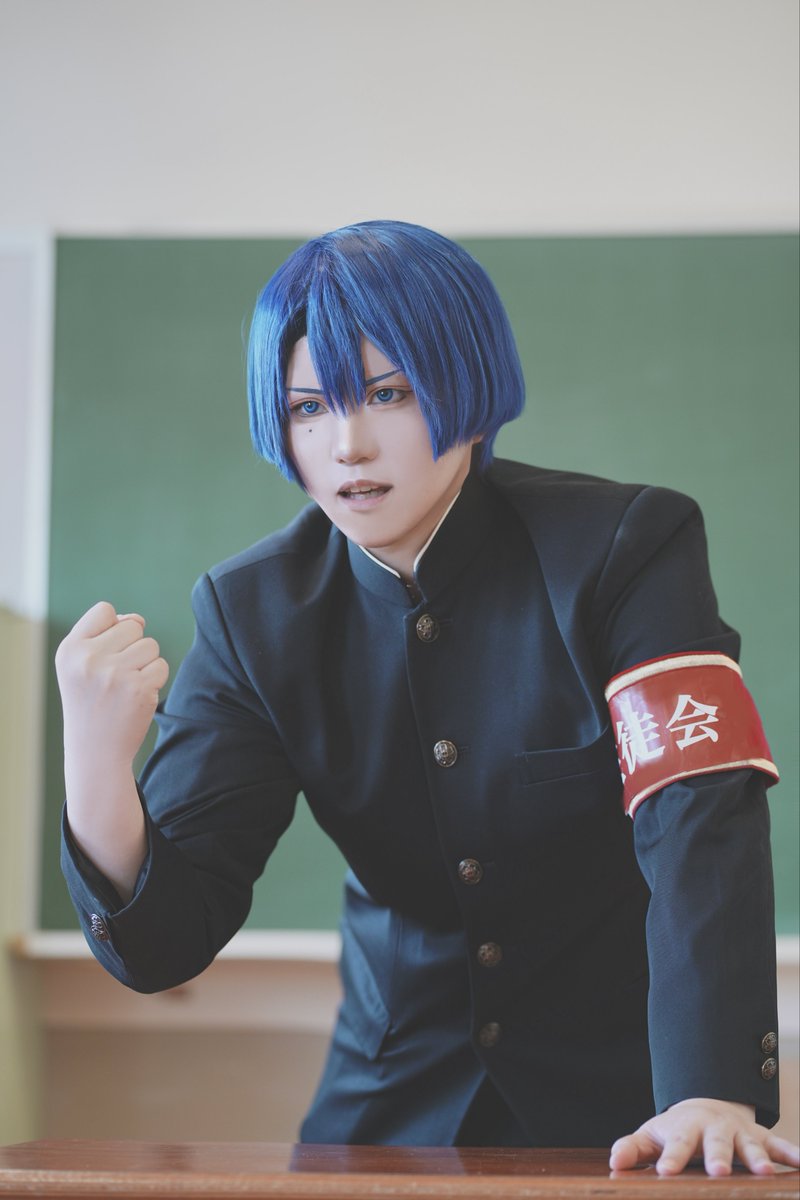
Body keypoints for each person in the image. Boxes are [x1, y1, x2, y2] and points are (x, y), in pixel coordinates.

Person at [56, 220, 798, 1175]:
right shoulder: (250, 614)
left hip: (633, 1106)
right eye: (309, 407)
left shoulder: (625, 548)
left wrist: (708, 1086)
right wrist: (95, 765)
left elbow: (699, 812)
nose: (348, 444)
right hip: (383, 1112)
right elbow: (166, 944)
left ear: (469, 392)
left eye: (388, 393)